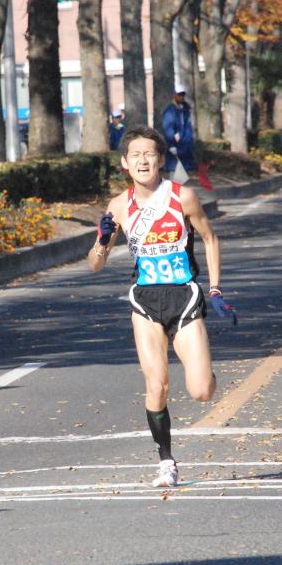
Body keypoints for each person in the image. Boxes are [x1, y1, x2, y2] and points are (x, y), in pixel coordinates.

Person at [88, 126, 234, 488]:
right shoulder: (119, 206)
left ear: (160, 160)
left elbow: (210, 238)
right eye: (135, 155)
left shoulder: (182, 197)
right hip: (146, 302)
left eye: (149, 154)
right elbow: (95, 263)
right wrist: (104, 239)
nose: (142, 160)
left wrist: (215, 290)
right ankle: (166, 461)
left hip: (184, 297)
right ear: (124, 163)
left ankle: (207, 371)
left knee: (201, 391)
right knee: (157, 383)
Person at [161, 87, 196, 181]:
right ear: (174, 95)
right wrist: (171, 144)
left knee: (185, 175)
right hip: (176, 146)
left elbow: (187, 128)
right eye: (179, 95)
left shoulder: (185, 109)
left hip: (185, 146)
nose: (181, 97)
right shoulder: (170, 111)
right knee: (174, 171)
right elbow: (168, 128)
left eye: (183, 95)